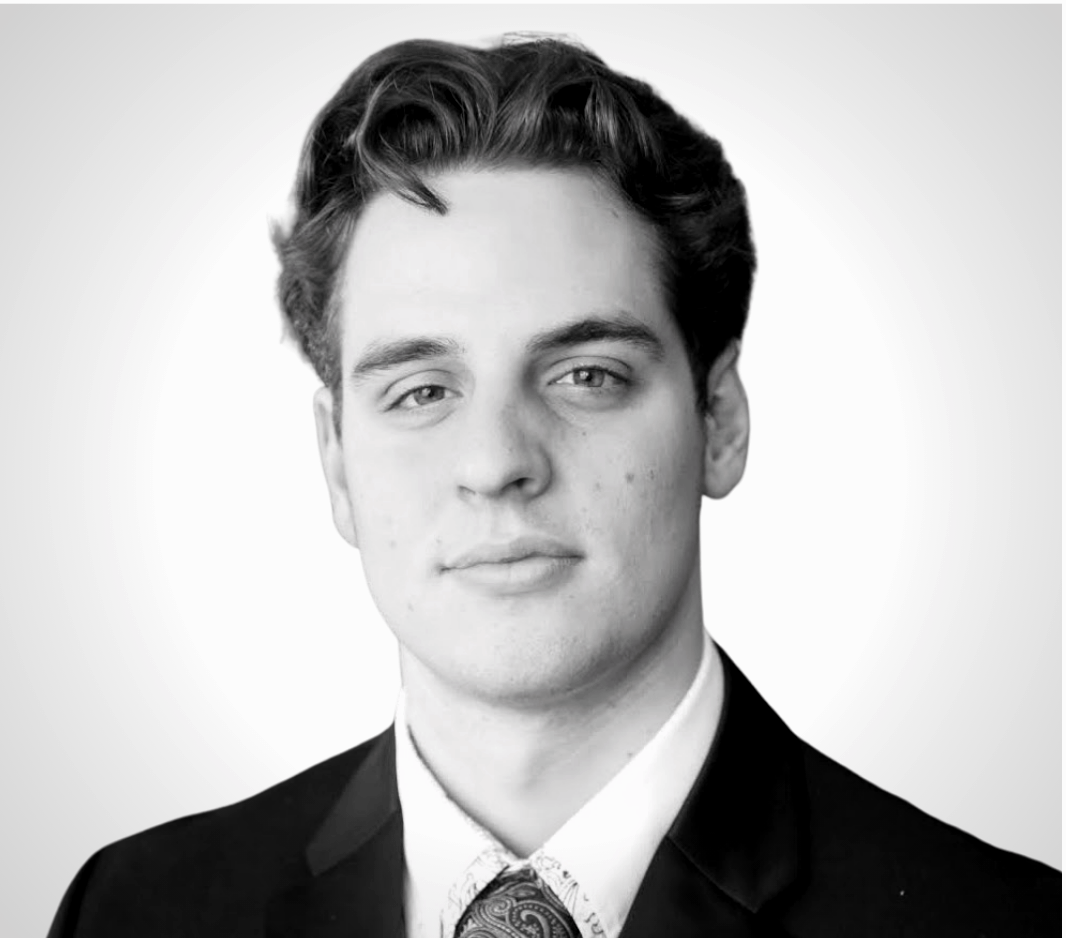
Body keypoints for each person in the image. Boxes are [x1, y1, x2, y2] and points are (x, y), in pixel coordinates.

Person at [47, 34, 1058, 938]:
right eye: (420, 390)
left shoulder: (1004, 923)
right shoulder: (130, 912)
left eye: (586, 376)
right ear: (337, 462)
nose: (496, 461)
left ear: (719, 419)